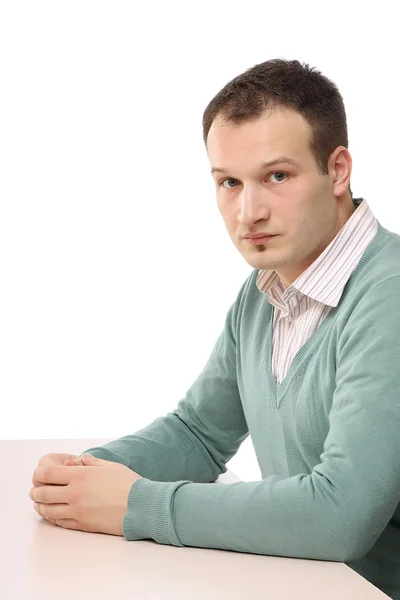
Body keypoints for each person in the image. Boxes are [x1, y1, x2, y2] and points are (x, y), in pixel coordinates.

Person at [30, 59, 400, 599]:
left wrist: (138, 504)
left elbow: (340, 512)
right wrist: (87, 476)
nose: (248, 212)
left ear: (338, 170)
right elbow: (200, 433)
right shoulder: (265, 293)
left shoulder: (388, 293)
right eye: (229, 182)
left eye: (277, 176)